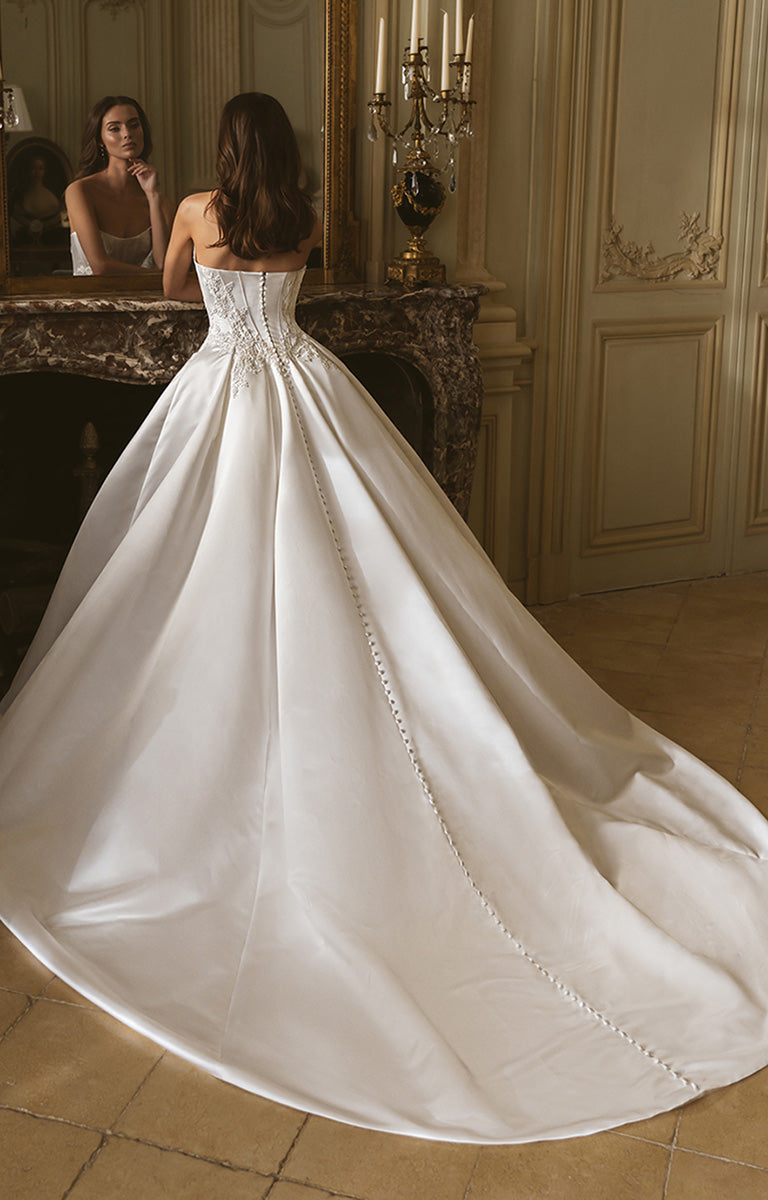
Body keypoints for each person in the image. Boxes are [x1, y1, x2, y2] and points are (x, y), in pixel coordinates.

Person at [1, 91, 768, 1146]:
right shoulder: (306, 219)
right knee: (355, 558)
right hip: (305, 391)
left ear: (225, 152)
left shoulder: (191, 207)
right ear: (283, 154)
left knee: (182, 567)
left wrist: (178, 235)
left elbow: (175, 292)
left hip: (222, 388)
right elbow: (290, 296)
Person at [64, 94, 173, 275]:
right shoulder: (80, 191)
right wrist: (159, 277)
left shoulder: (162, 203)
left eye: (134, 125)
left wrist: (152, 196)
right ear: (100, 140)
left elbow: (163, 263)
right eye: (114, 128)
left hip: (144, 301)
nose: (127, 134)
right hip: (90, 301)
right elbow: (100, 266)